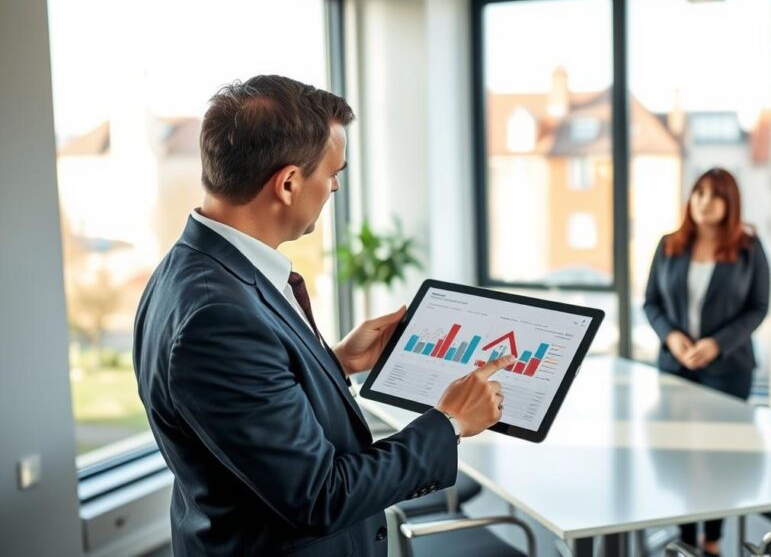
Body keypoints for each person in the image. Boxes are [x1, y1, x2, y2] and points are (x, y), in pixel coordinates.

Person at [134, 75, 509, 556]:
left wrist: (334, 362)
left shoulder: (188, 266)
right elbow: (320, 496)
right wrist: (450, 421)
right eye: (333, 172)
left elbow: (248, 417)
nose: (335, 186)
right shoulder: (218, 317)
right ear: (289, 183)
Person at [643, 167, 770, 556]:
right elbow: (651, 303)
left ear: (730, 204)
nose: (704, 202)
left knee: (718, 457)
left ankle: (712, 540)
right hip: (676, 366)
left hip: (728, 370)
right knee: (680, 453)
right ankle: (685, 536)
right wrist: (672, 336)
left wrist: (718, 344)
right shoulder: (669, 245)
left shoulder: (749, 248)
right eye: (699, 193)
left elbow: (758, 307)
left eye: (715, 196)